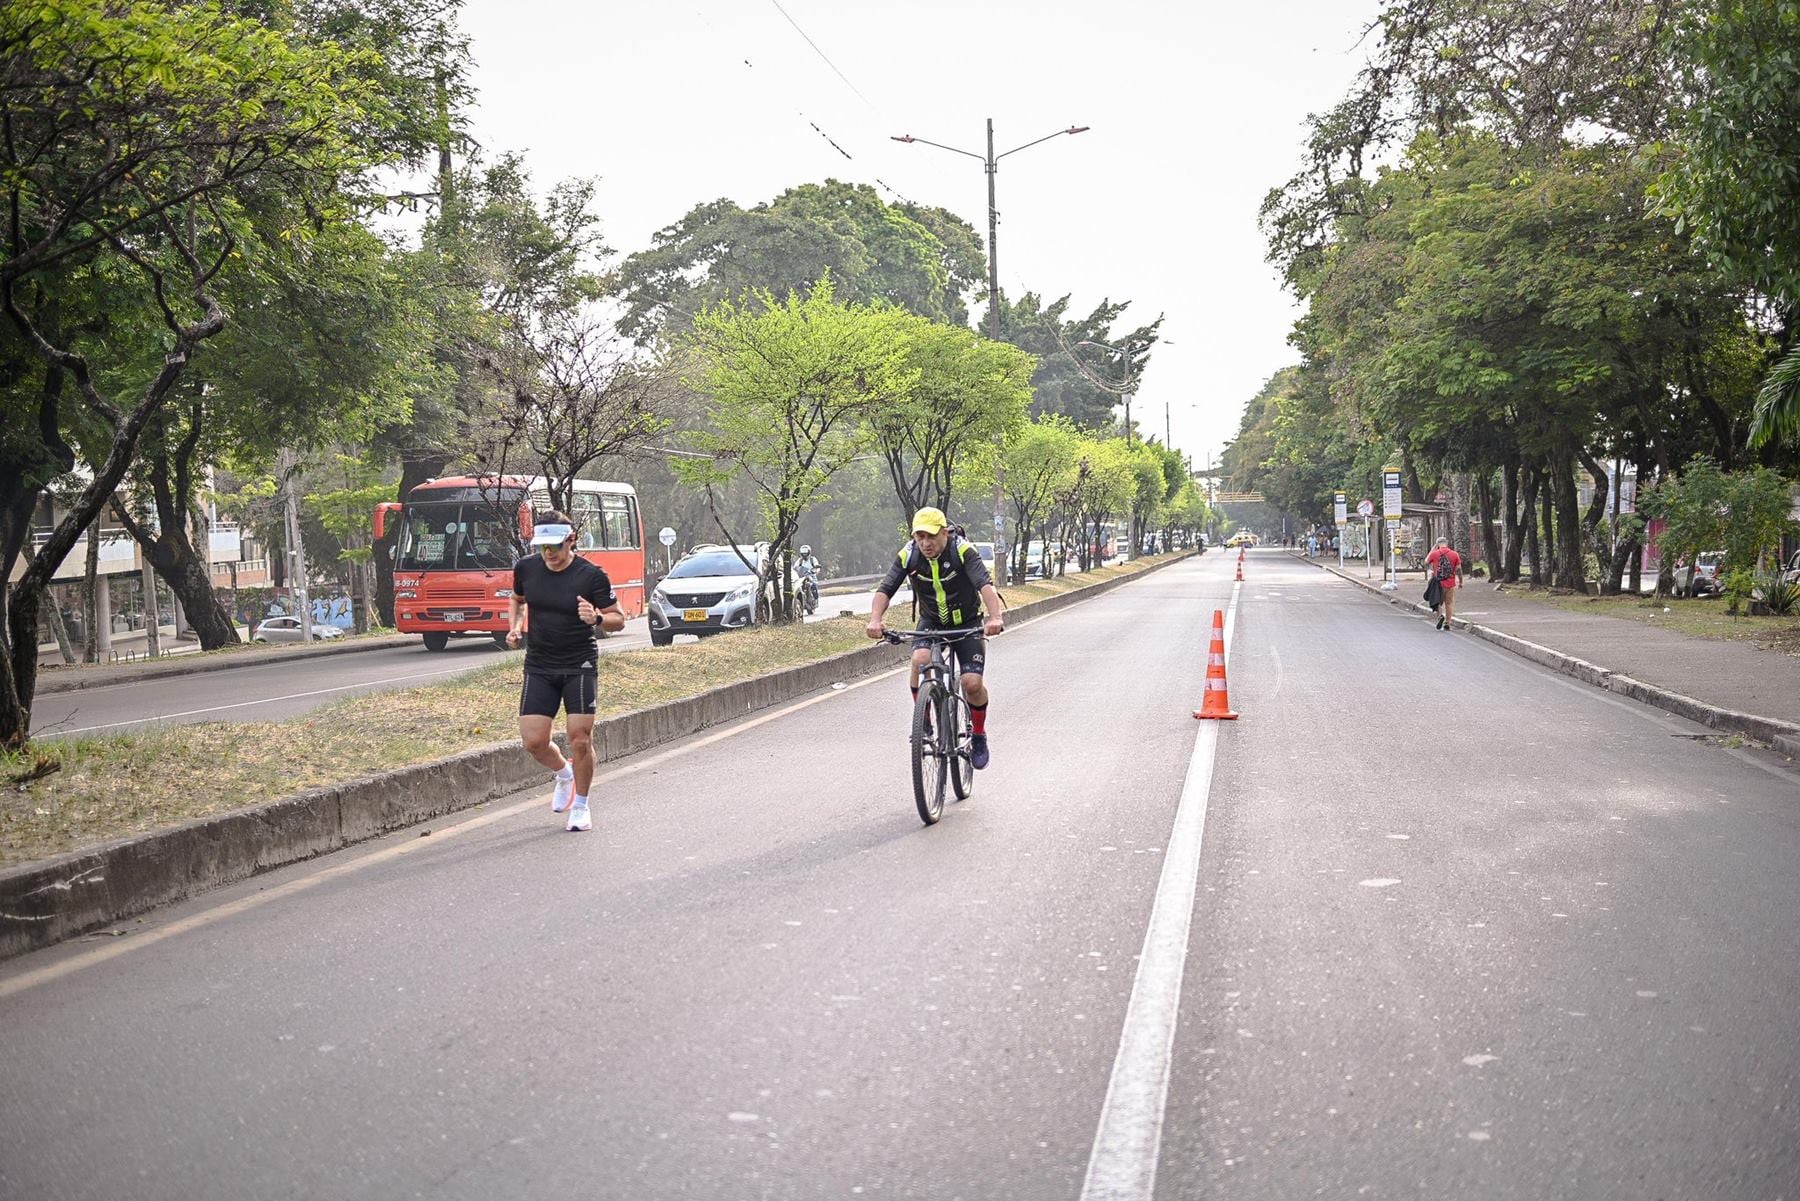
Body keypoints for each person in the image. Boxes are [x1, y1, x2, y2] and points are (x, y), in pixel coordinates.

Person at [507, 510, 626, 831]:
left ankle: (582, 806)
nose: (548, 553)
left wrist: (597, 619)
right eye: (542, 547)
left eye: (555, 546)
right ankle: (564, 773)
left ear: (571, 540)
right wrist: (514, 627)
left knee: (580, 739)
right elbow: (517, 599)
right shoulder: (526, 568)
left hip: (579, 664)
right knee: (533, 742)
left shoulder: (591, 575)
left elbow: (618, 618)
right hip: (540, 664)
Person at [865, 507, 1006, 769]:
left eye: (931, 536)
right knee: (920, 660)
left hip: (967, 622)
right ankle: (924, 721)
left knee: (972, 684)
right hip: (931, 621)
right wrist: (875, 620)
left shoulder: (962, 550)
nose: (926, 543)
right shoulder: (909, 554)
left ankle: (978, 734)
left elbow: (985, 585)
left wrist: (995, 617)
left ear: (944, 533)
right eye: (920, 537)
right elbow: (885, 589)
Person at [1424, 536, 1464, 631]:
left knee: (1437, 601)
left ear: (1438, 544)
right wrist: (1461, 581)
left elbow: (1426, 562)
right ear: (1447, 543)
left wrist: (1432, 550)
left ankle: (1440, 616)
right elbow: (1459, 569)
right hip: (1450, 583)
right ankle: (1447, 623)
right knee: (1449, 603)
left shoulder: (1434, 553)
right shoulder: (1454, 554)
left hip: (1438, 583)